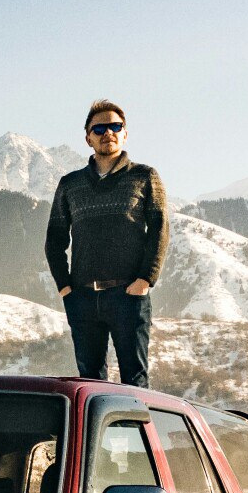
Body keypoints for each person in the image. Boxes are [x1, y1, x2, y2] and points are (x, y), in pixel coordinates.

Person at [45, 99, 169, 386]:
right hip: (83, 298)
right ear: (88, 137)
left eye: (115, 126)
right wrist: (65, 287)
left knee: (135, 381)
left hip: (129, 295)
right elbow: (54, 240)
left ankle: (134, 432)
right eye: (99, 128)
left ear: (125, 133)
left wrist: (144, 280)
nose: (107, 133)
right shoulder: (70, 184)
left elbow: (160, 230)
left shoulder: (145, 176)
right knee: (89, 384)